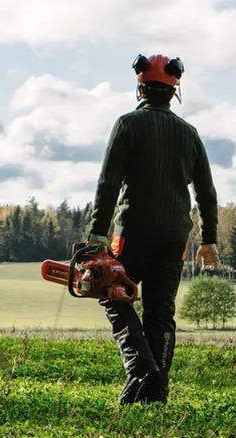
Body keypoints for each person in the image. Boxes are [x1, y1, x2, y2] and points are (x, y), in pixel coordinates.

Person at [87, 53, 220, 404]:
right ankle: (156, 392)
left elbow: (108, 183)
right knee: (161, 313)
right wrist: (208, 239)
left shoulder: (127, 125)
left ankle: (140, 367)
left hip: (132, 232)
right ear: (174, 91)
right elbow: (206, 193)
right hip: (174, 237)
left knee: (112, 295)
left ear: (140, 89)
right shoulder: (189, 134)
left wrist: (97, 234)